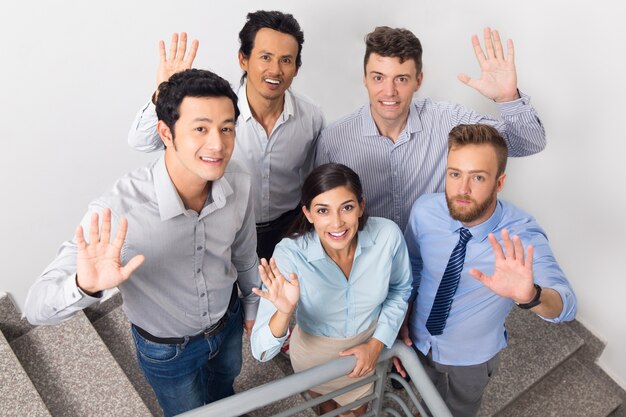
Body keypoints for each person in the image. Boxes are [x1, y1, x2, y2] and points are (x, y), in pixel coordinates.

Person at [24, 69, 260, 417]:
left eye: (226, 128)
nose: (217, 144)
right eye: (200, 128)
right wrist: (84, 286)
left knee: (225, 387)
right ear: (166, 132)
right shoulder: (119, 210)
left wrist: (252, 308)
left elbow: (243, 254)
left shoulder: (238, 180)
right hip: (168, 350)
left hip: (228, 323)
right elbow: (34, 308)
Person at [396, 124, 577, 417]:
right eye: (455, 174)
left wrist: (530, 296)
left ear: (499, 182)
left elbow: (566, 305)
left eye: (477, 177)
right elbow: (414, 265)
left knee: (456, 410)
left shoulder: (521, 235)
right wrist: (404, 311)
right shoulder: (425, 210)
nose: (462, 190)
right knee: (424, 393)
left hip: (471, 358)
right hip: (418, 335)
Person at [128, 10, 325, 260]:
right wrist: (162, 93)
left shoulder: (311, 117)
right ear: (243, 59)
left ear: (296, 68)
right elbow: (141, 141)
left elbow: (314, 179)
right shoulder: (215, 111)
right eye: (265, 57)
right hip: (224, 228)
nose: (275, 70)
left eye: (286, 60)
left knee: (282, 297)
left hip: (288, 228)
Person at [315, 26, 546, 231]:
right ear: (365, 78)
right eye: (378, 78)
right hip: (370, 269)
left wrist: (508, 99)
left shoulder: (449, 120)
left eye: (402, 79)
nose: (389, 91)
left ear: (419, 81)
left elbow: (527, 142)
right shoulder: (334, 140)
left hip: (437, 266)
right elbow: (319, 216)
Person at [250, 163, 412, 416]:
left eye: (346, 207)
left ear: (361, 206)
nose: (337, 223)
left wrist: (377, 344)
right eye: (323, 210)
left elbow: (400, 290)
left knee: (357, 410)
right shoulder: (289, 255)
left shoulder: (387, 235)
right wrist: (284, 313)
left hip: (366, 348)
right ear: (308, 213)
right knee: (325, 409)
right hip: (313, 357)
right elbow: (261, 352)